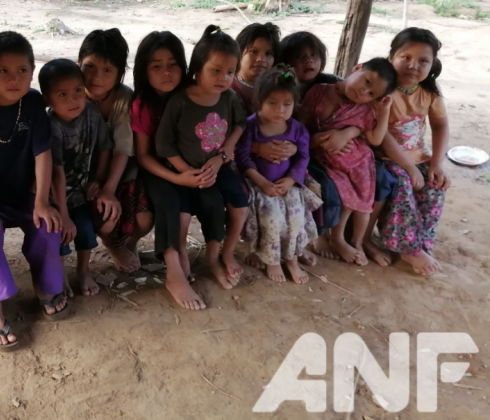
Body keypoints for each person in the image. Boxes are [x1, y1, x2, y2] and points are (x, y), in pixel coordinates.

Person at [0, 31, 69, 351]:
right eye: (3, 71)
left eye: (22, 70)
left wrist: (41, 201)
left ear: (32, 71)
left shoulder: (34, 102)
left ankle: (46, 286)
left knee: (47, 225)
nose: (14, 79)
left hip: (24, 192)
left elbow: (42, 154)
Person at [156, 25, 248, 290]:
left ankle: (221, 254)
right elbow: (164, 143)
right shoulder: (180, 101)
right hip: (184, 172)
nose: (223, 78)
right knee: (182, 217)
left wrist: (224, 153)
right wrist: (186, 173)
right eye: (215, 70)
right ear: (197, 68)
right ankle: (182, 254)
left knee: (239, 206)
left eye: (230, 72)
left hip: (218, 167)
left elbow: (240, 124)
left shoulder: (229, 97)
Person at [132, 31, 208, 310]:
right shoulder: (143, 104)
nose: (166, 72)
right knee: (167, 200)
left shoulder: (193, 96)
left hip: (190, 166)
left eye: (173, 63)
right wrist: (176, 176)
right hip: (157, 170)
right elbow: (143, 155)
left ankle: (187, 252)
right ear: (144, 70)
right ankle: (173, 268)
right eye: (156, 65)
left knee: (191, 206)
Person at [302, 58, 397, 266]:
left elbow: (375, 139)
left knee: (363, 204)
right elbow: (301, 130)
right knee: (344, 197)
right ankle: (337, 238)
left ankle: (357, 241)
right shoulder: (318, 93)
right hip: (326, 159)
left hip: (358, 164)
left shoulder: (364, 110)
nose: (364, 92)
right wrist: (319, 139)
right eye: (367, 82)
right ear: (357, 68)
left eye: (372, 94)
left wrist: (384, 111)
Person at [375, 28, 450, 275]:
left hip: (418, 156)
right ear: (391, 58)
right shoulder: (382, 91)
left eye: (423, 61)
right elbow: (382, 136)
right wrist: (408, 167)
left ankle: (420, 242)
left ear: (432, 65)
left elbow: (440, 126)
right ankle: (406, 247)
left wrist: (437, 163)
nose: (413, 65)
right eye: (405, 57)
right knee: (403, 184)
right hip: (385, 158)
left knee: (435, 185)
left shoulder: (429, 94)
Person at [236, 65, 322, 284]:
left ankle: (292, 258)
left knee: (295, 215)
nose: (280, 110)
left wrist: (291, 179)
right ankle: (272, 259)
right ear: (260, 101)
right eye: (272, 103)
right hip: (259, 183)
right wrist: (263, 183)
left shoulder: (297, 129)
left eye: (287, 104)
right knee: (271, 216)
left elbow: (303, 157)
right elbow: (243, 158)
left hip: (288, 183)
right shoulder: (251, 126)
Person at [78, 29, 153, 273]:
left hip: (120, 168)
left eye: (107, 70)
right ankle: (112, 244)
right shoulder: (71, 94)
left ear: (120, 74)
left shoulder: (123, 98)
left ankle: (128, 242)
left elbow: (123, 147)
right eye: (89, 66)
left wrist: (109, 188)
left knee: (144, 218)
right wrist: (97, 184)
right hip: (81, 172)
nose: (96, 77)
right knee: (105, 218)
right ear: (78, 63)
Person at [41, 58, 115, 297]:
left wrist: (98, 178)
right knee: (60, 232)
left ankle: (83, 270)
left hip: (81, 192)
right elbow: (56, 173)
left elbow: (105, 147)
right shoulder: (51, 127)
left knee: (85, 229)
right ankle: (60, 274)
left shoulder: (91, 114)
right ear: (48, 99)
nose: (73, 100)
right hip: (55, 196)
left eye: (77, 91)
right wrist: (62, 214)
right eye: (62, 95)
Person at [231, 22, 281, 113]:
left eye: (268, 53)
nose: (261, 59)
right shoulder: (226, 87)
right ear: (239, 52)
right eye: (253, 51)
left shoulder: (278, 87)